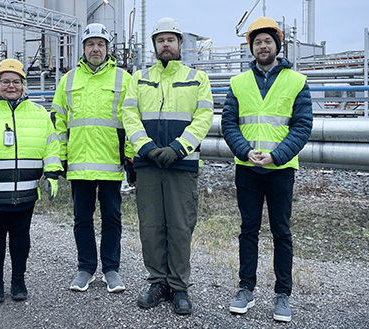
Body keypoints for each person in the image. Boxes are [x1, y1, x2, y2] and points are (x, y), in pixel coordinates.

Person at [221, 16, 313, 323]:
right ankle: (245, 288)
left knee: (281, 232)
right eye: (257, 42)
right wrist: (245, 151)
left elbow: (302, 127)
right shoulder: (238, 83)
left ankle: (282, 294)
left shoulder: (296, 82)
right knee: (248, 230)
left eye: (268, 41)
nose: (263, 46)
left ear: (277, 45)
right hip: (247, 168)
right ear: (252, 47)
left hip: (280, 169)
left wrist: (277, 156)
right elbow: (229, 123)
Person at [122, 17, 213, 315]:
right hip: (149, 166)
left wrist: (178, 148)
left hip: (181, 165)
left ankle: (179, 286)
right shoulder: (139, 78)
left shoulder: (197, 78)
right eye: (160, 40)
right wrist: (145, 147)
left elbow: (203, 118)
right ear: (154, 45)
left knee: (180, 226)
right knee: (150, 227)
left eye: (170, 39)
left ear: (179, 43)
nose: (165, 44)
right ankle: (157, 283)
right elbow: (129, 114)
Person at [0, 59, 62, 303]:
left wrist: (52, 173)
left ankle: (18, 282)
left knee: (21, 239)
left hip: (26, 193)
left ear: (24, 85)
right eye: (5, 81)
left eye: (16, 82)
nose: (11, 86)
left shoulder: (39, 114)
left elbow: (52, 146)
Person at [50, 23, 133, 293]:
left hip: (111, 163)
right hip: (78, 163)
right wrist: (60, 157)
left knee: (112, 219)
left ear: (108, 49)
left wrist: (131, 160)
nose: (95, 49)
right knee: (82, 219)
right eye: (90, 44)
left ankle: (111, 269)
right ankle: (85, 268)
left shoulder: (123, 79)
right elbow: (58, 123)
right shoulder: (69, 80)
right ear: (83, 49)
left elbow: (133, 122)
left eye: (100, 44)